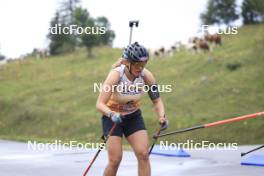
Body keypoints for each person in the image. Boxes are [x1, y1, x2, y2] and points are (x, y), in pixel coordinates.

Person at [96, 42, 169, 176]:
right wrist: (112, 114)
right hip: (112, 118)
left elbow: (157, 100)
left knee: (143, 155)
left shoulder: (147, 76)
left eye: (143, 64)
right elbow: (100, 104)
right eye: (137, 64)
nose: (140, 68)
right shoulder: (116, 75)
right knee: (115, 159)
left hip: (133, 116)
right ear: (127, 62)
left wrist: (162, 116)